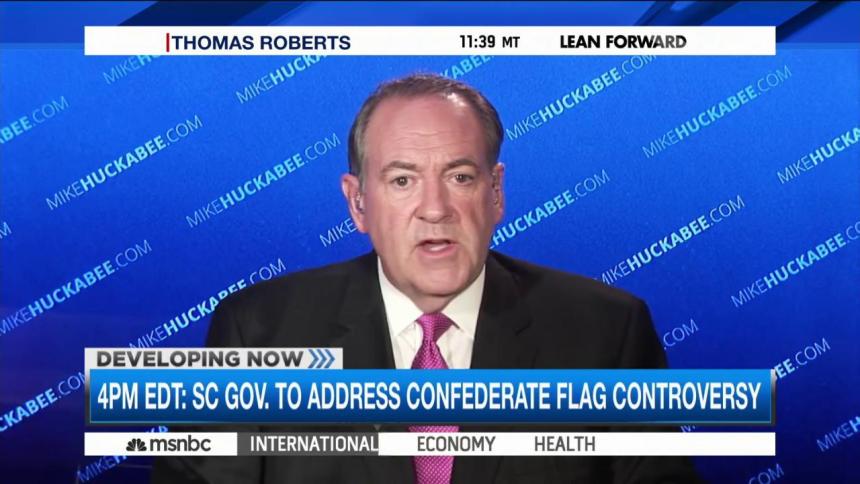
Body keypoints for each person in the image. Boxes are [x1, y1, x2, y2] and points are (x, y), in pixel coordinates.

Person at [152, 73, 700, 483]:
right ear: (357, 202)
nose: (435, 209)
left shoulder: (607, 331)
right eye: (402, 180)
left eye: (460, 177)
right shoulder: (259, 330)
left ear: (496, 193)